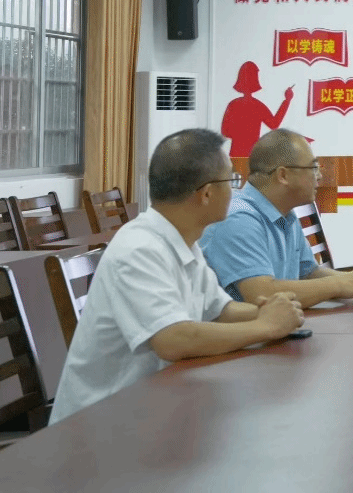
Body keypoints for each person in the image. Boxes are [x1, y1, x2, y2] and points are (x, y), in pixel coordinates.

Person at [50, 129, 304, 424]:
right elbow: (172, 340)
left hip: (153, 406)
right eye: (231, 181)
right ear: (206, 193)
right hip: (99, 424)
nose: (235, 191)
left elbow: (220, 310)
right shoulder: (139, 248)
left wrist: (273, 312)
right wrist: (265, 326)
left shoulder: (184, 240)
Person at [200, 128, 353, 308]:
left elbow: (308, 274)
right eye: (313, 168)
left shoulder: (285, 213)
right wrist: (338, 285)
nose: (319, 176)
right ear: (283, 175)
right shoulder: (239, 218)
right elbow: (262, 295)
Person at [221, 61, 294, 157]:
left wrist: (239, 135)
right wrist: (287, 101)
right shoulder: (257, 106)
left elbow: (225, 131)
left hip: (237, 153)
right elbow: (274, 124)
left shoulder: (233, 104)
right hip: (252, 154)